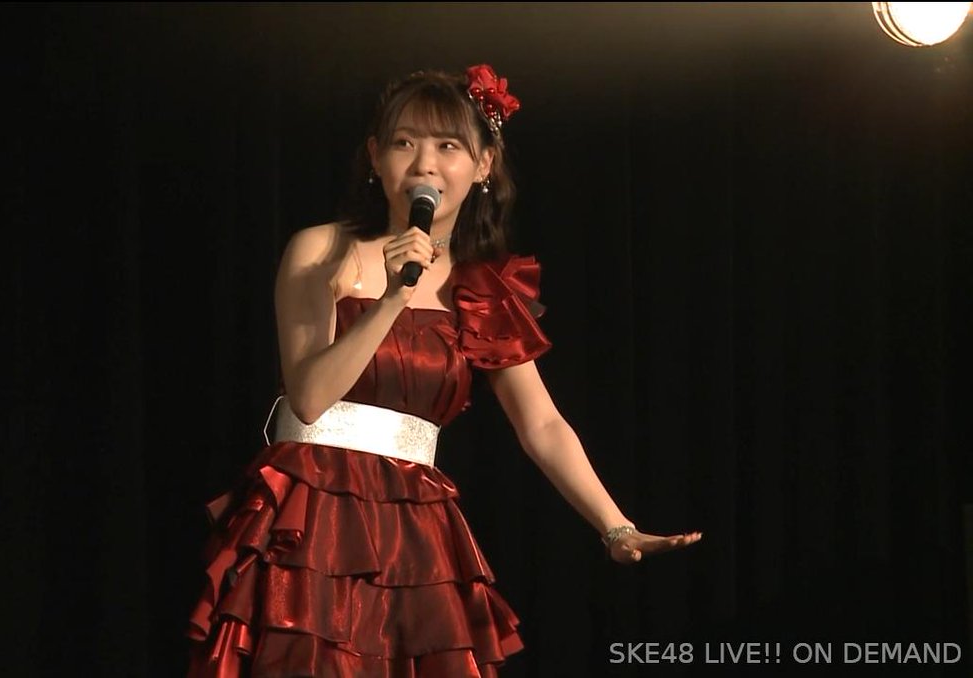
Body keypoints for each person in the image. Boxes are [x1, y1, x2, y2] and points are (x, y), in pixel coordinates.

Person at [187, 63, 702, 677]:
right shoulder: (322, 249)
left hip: (414, 528)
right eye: (404, 142)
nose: (424, 164)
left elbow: (541, 425)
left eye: (448, 146)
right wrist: (393, 298)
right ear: (375, 157)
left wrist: (616, 528)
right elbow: (310, 394)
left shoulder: (482, 289)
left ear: (484, 164)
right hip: (310, 515)